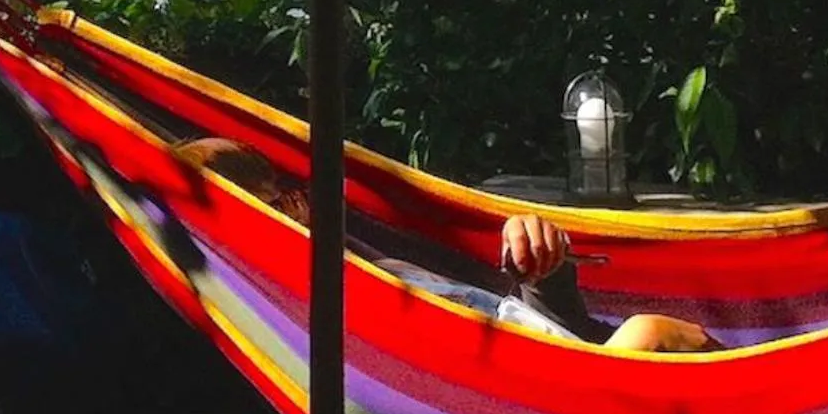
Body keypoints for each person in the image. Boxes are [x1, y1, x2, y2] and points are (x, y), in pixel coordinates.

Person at [171, 137, 717, 353]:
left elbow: (542, 329)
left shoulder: (376, 252)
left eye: (279, 195)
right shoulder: (309, 316)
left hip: (572, 371)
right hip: (570, 407)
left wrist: (540, 267)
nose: (293, 204)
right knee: (651, 336)